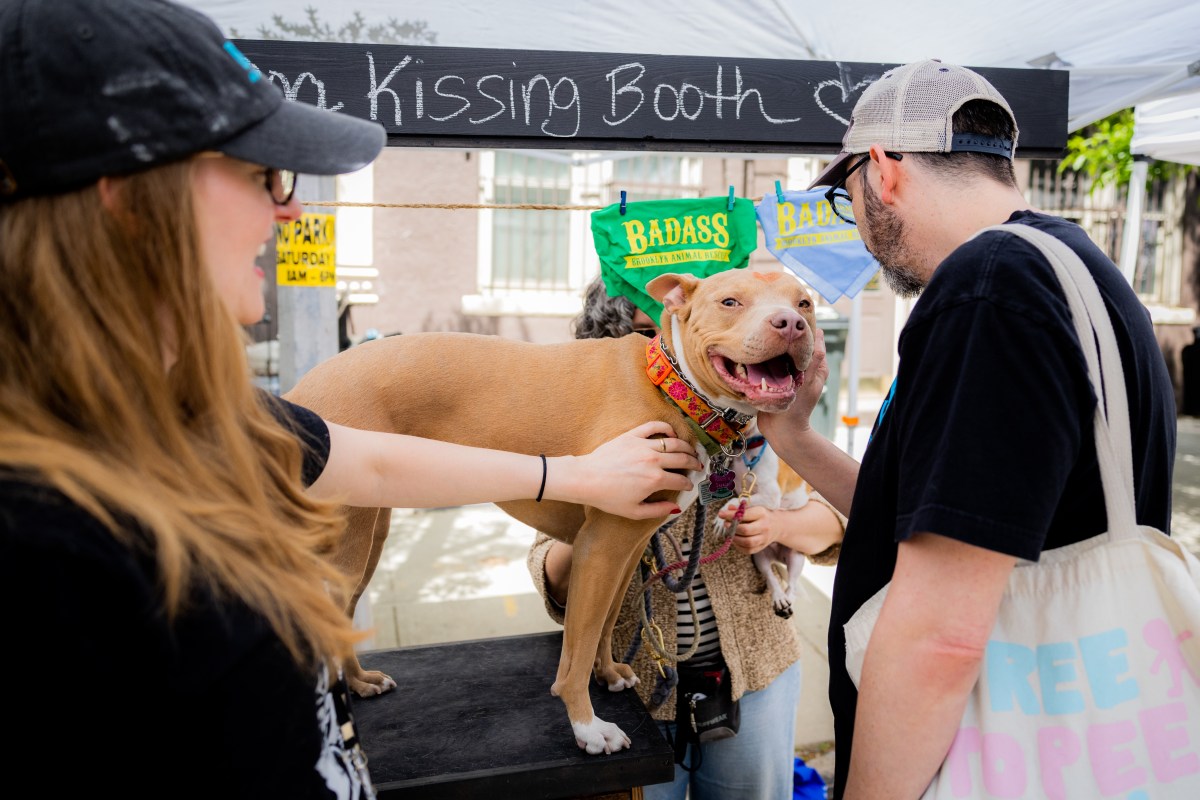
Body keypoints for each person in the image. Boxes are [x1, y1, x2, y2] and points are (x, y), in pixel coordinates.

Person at [0, 2, 701, 798]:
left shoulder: (199, 418)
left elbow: (364, 458)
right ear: (127, 201)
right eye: (260, 172)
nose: (288, 207)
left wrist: (572, 477)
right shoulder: (48, 546)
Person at [757, 59, 1178, 800]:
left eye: (845, 195)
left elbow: (939, 638)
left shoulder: (986, 291)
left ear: (882, 172)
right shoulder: (1078, 269)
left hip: (985, 755)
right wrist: (795, 438)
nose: (855, 224)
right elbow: (944, 519)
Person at [527, 276, 845, 800]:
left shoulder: (760, 414)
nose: (670, 349)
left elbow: (837, 521)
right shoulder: (587, 433)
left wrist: (779, 525)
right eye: (651, 335)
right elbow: (551, 579)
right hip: (634, 692)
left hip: (757, 678)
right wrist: (602, 506)